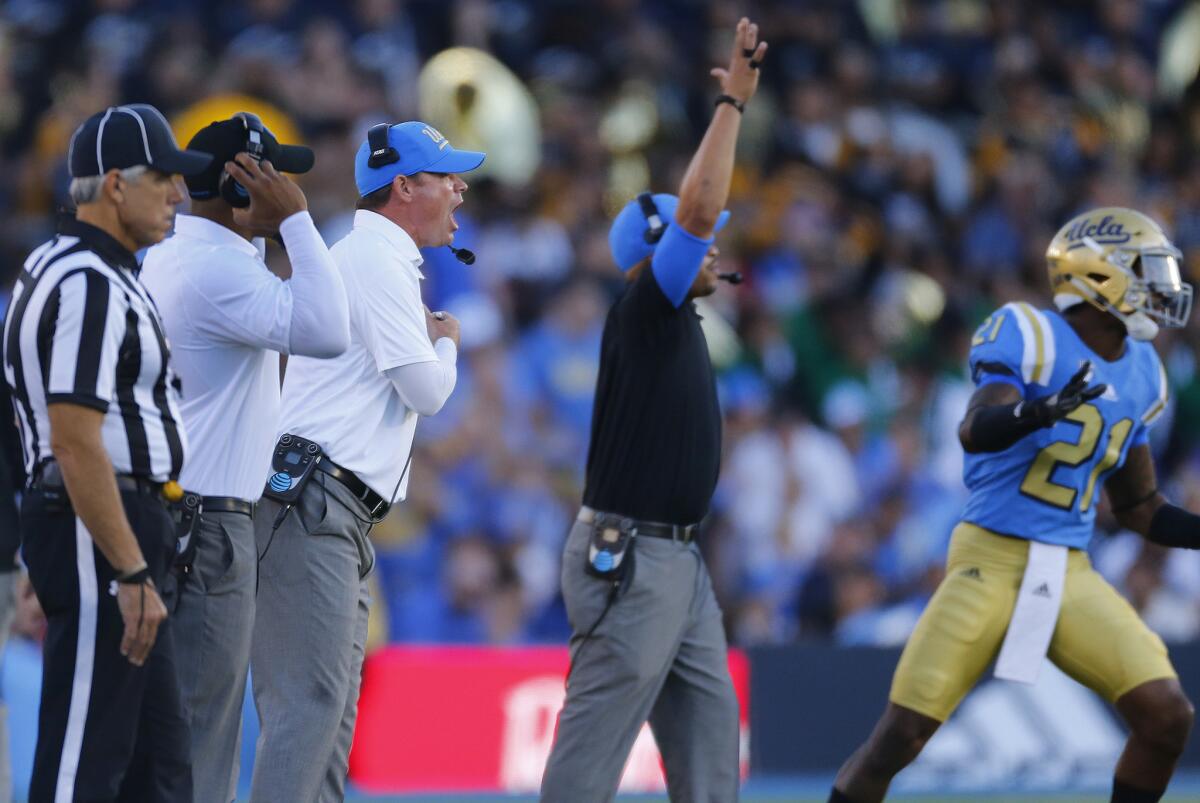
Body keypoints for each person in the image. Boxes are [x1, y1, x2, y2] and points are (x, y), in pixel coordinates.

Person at [829, 208, 1197, 803]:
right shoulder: (1029, 331)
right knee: (901, 735)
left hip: (1071, 569)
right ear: (1101, 277)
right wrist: (1037, 411)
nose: (1162, 288)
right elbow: (974, 429)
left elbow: (1141, 508)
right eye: (1147, 271)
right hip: (990, 559)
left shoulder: (1146, 373)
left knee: (1167, 716)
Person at [539, 17, 767, 803]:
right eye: (694, 239)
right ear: (655, 246)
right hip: (630, 556)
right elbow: (700, 212)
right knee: (595, 741)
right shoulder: (646, 304)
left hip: (677, 558)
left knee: (710, 746)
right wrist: (732, 103)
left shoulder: (676, 317)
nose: (712, 246)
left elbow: (702, 218)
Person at [249, 119, 483, 802]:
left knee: (327, 718)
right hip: (314, 504)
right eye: (446, 177)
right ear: (403, 186)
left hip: (327, 507)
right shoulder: (377, 258)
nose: (460, 190)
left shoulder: (371, 255)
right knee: (310, 709)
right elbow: (427, 392)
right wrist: (448, 343)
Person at [2, 103, 210, 802]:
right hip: (104, 526)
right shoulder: (90, 282)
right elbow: (73, 437)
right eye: (165, 179)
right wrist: (127, 566)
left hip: (96, 522)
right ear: (116, 184)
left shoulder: (58, 264)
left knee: (159, 768)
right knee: (82, 764)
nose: (179, 195)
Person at [140, 113, 350, 803]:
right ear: (238, 186)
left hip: (182, 517)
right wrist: (297, 222)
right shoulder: (214, 268)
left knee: (179, 735)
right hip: (208, 527)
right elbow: (326, 328)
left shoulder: (179, 255)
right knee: (205, 741)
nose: (287, 185)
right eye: (272, 175)